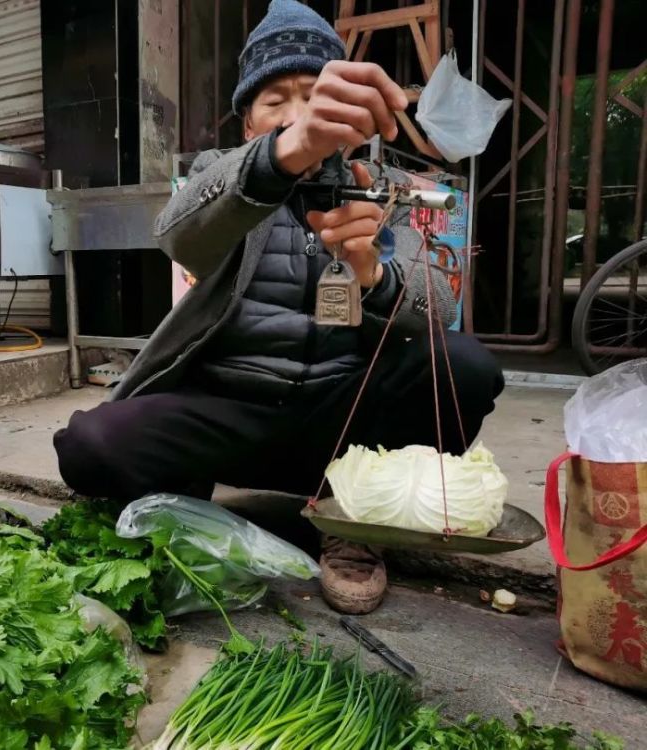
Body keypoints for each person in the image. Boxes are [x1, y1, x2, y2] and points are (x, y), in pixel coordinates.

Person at [54, 0, 504, 614]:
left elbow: (437, 302)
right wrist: (285, 153)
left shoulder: (380, 190)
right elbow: (179, 235)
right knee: (89, 444)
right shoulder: (225, 179)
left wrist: (374, 274)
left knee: (466, 365)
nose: (298, 114)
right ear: (247, 124)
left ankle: (354, 522)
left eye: (315, 97)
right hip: (227, 413)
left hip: (341, 428)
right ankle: (186, 500)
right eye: (277, 101)